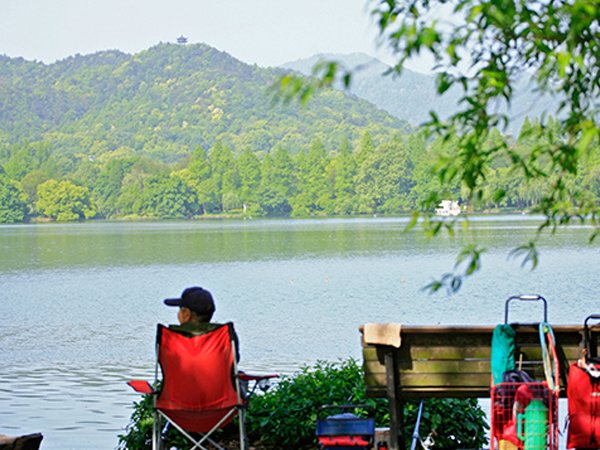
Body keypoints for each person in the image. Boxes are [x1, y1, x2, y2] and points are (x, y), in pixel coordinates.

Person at [164, 286, 240, 361]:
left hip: (177, 373)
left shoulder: (171, 338)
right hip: (218, 373)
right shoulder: (223, 336)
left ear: (187, 314)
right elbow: (234, 360)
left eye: (180, 309)